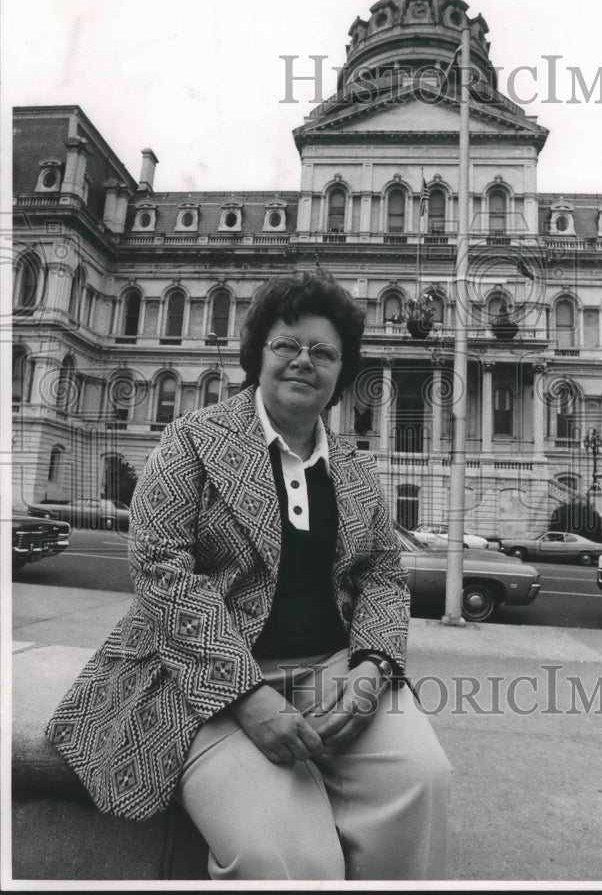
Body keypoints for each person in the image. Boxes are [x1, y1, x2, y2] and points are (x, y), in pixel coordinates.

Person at [46, 271, 451, 881]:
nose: (303, 361)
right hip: (204, 682)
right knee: (286, 856)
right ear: (258, 354)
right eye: (286, 344)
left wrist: (373, 667)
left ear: (342, 371)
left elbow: (383, 578)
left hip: (333, 669)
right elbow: (161, 571)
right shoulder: (191, 441)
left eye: (324, 352)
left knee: (423, 781)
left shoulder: (354, 468)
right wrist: (245, 695)